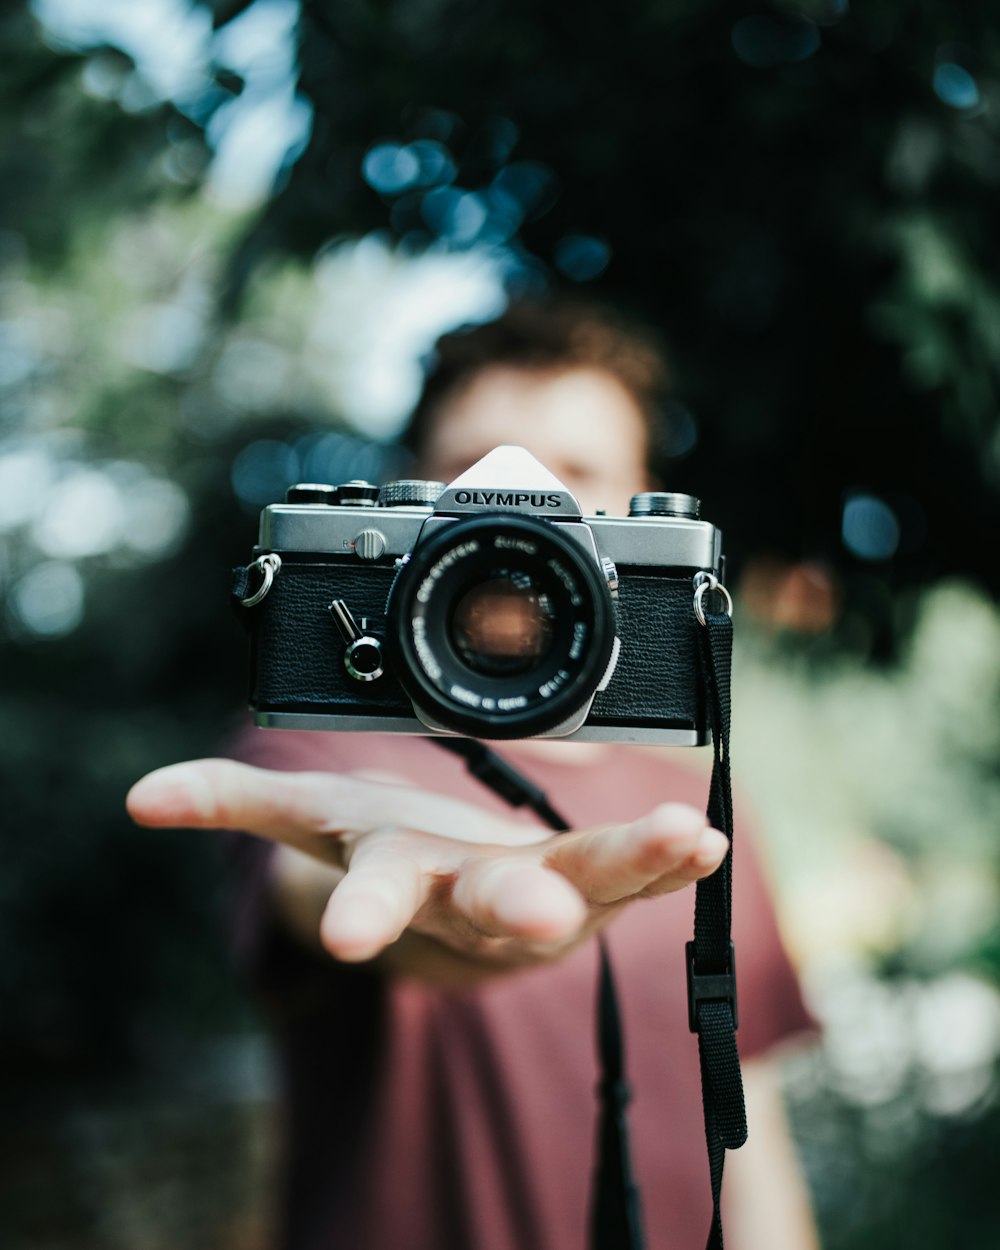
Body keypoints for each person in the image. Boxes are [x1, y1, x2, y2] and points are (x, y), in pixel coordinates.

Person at [127, 299, 820, 1250]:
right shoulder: (318, 750)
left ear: (642, 519)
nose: (517, 501)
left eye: (577, 475)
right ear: (400, 490)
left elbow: (748, 1128)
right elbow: (319, 867)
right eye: (470, 468)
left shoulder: (695, 795)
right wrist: (440, 909)